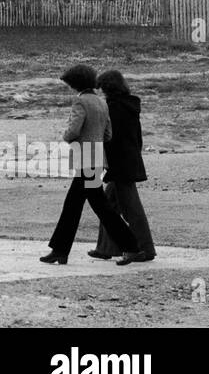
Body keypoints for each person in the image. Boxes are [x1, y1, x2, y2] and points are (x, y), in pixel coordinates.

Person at [42, 64, 146, 266]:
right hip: (97, 158)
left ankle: (131, 247)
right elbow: (108, 135)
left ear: (74, 83)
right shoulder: (101, 102)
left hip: (85, 159)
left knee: (94, 208)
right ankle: (59, 251)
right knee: (81, 206)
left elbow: (72, 132)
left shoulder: (80, 102)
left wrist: (65, 137)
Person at [88, 70, 156, 262]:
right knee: (109, 206)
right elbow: (136, 137)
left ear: (107, 88)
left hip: (120, 166)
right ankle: (106, 248)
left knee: (131, 209)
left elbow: (110, 139)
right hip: (128, 162)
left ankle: (144, 249)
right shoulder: (129, 105)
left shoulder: (114, 108)